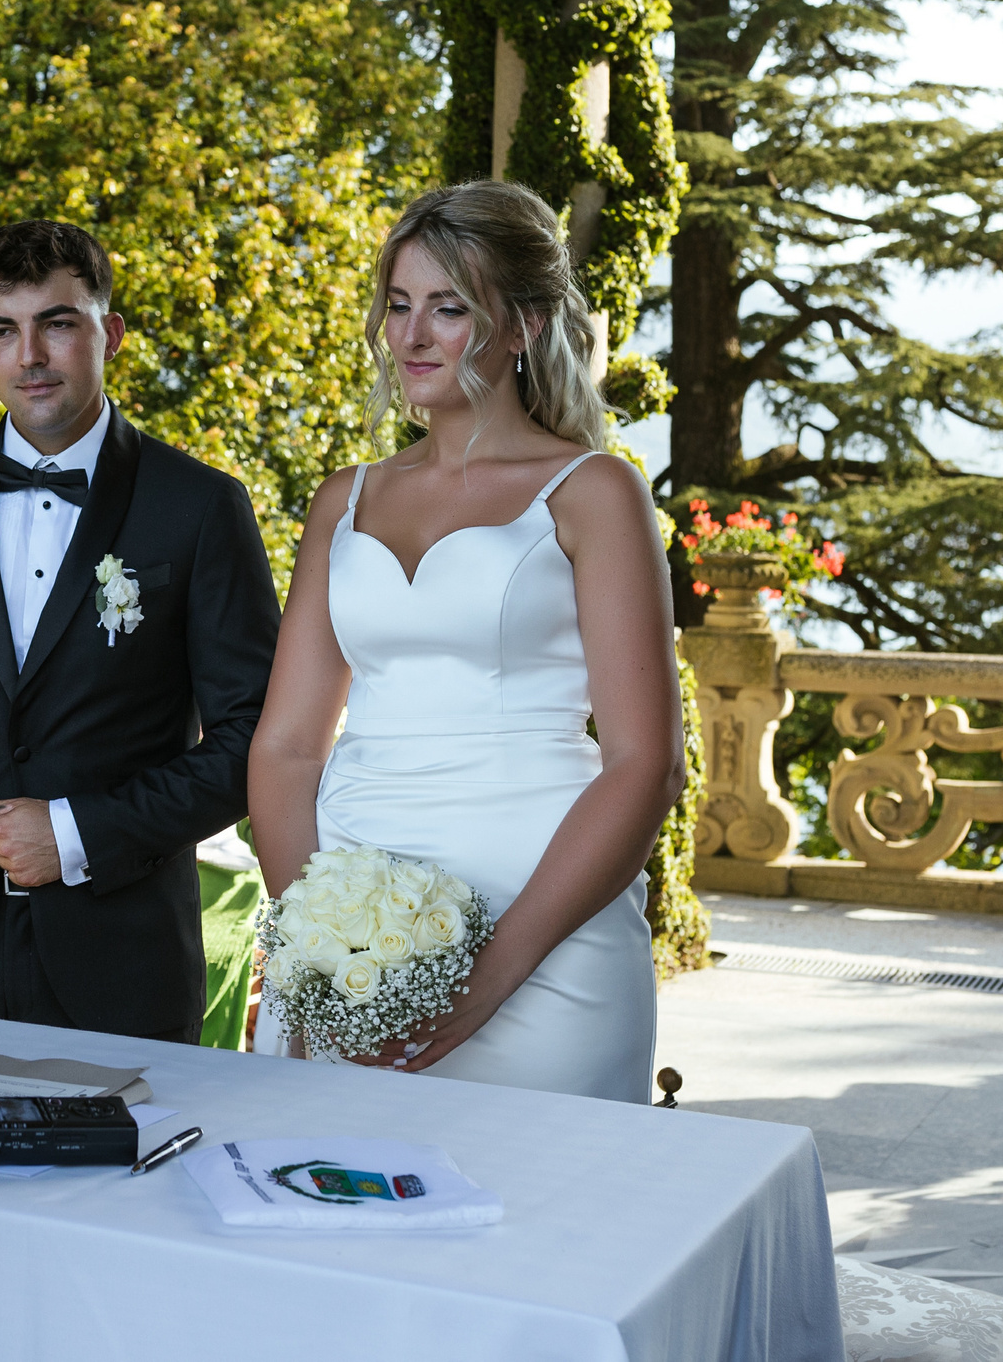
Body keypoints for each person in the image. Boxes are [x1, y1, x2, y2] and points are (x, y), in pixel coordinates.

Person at [246, 180, 684, 1101]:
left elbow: (645, 764)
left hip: (547, 936)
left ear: (523, 325)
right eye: (398, 305)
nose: (411, 336)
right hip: (352, 945)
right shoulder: (344, 500)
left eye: (448, 308)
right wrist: (313, 943)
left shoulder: (594, 492)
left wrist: (486, 980)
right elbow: (285, 748)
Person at [0, 220, 280, 1043]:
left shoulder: (200, 506)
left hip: (122, 960)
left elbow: (254, 740)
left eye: (56, 323)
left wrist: (77, 832)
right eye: (2, 329)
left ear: (111, 333)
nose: (29, 354)